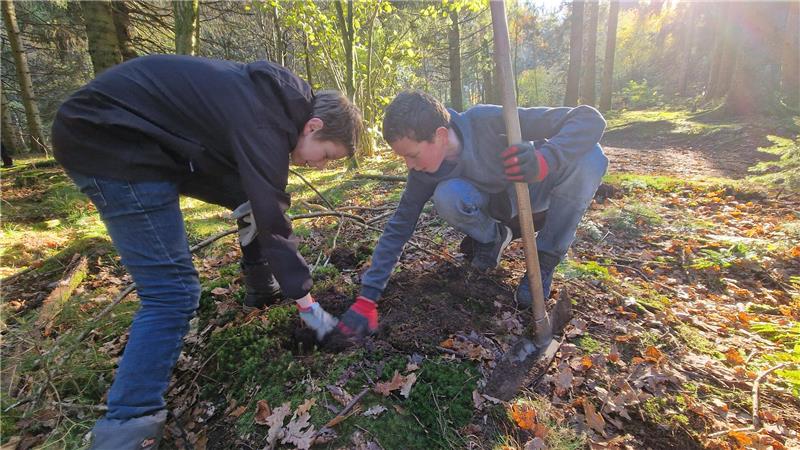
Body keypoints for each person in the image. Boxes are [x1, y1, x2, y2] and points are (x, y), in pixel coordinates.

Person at [51, 54, 361, 450]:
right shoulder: (266, 121)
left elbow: (251, 195)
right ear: (313, 127)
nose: (320, 166)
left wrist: (265, 279)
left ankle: (259, 285)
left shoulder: (271, 105)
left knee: (246, 193)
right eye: (327, 155)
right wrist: (307, 305)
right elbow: (272, 217)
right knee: (173, 292)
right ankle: (127, 426)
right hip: (109, 140)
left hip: (131, 135)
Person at [335, 90, 607, 339]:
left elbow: (589, 119)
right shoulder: (422, 174)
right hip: (499, 213)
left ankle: (545, 261)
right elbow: (399, 227)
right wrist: (367, 297)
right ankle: (492, 240)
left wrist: (546, 159)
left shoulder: (487, 120)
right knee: (448, 195)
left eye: (413, 155)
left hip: (538, 196)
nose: (409, 165)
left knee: (591, 157)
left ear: (440, 135)